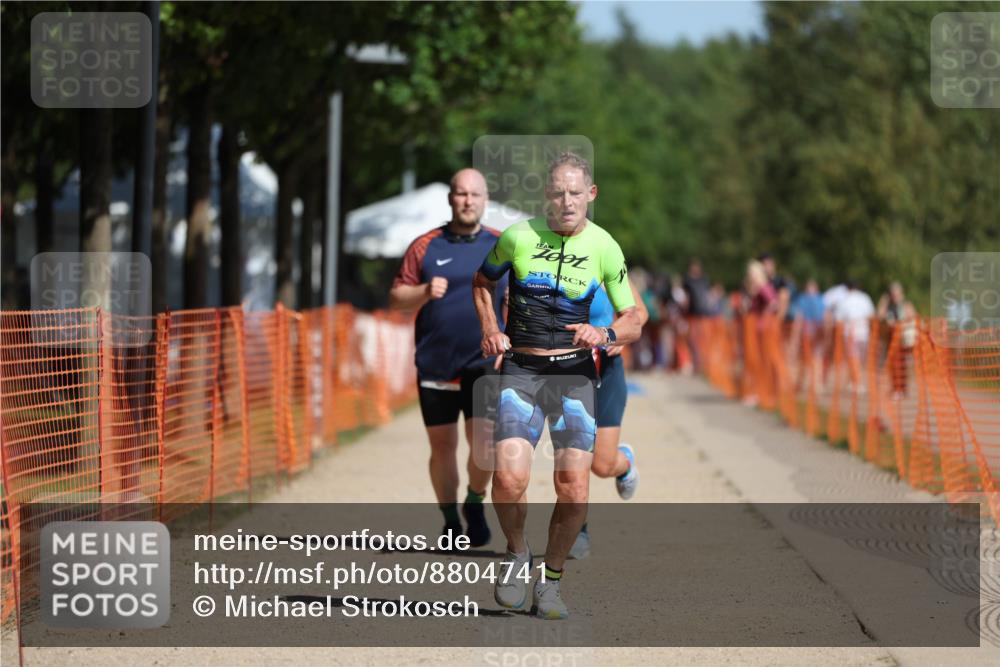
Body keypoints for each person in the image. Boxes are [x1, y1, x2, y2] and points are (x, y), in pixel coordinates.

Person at [473, 152, 640, 620]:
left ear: (591, 195)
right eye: (557, 192)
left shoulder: (605, 246)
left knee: (573, 488)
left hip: (574, 377)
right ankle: (516, 553)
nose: (566, 202)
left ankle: (550, 583)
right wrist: (490, 327)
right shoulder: (517, 237)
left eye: (575, 193)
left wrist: (605, 335)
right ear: (546, 195)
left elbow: (633, 318)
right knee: (507, 478)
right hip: (521, 370)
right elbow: (482, 282)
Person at [389, 168, 506, 546]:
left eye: (474, 194)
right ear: (451, 199)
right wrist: (423, 290)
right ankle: (450, 521)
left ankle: (474, 500)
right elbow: (396, 296)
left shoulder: (502, 245)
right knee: (443, 447)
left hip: (484, 360)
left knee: (485, 443)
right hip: (437, 361)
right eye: (461, 194)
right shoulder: (426, 245)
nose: (467, 201)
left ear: (484, 199)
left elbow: (520, 297)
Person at [569, 279, 649, 560]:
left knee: (602, 465)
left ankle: (624, 461)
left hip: (607, 369)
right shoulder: (551, 264)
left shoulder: (606, 265)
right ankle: (578, 528)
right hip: (566, 371)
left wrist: (618, 335)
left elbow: (639, 312)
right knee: (573, 457)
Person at [832, 280, 876, 391]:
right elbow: (871, 315)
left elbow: (838, 319)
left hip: (851, 334)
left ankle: (857, 382)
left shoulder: (844, 300)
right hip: (864, 333)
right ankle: (853, 380)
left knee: (854, 358)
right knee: (859, 359)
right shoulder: (865, 298)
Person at [876, 281, 917, 399]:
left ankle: (902, 389)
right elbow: (879, 315)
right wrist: (884, 301)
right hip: (891, 339)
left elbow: (913, 317)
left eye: (896, 293)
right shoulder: (888, 306)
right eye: (892, 293)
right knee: (893, 365)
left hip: (904, 340)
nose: (895, 296)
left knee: (902, 365)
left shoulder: (906, 305)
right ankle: (896, 388)